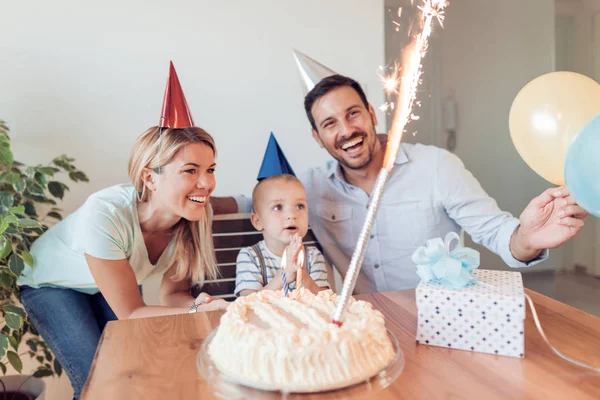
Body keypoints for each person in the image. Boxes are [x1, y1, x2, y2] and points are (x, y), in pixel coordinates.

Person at [219, 74, 588, 294]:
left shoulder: (436, 166)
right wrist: (192, 198)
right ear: (317, 138)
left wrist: (528, 238)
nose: (346, 131)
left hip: (439, 321)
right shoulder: (311, 189)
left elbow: (498, 233)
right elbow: (253, 201)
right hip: (363, 327)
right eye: (330, 124)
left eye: (352, 114)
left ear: (371, 113)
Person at [17, 63, 228, 399]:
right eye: (191, 170)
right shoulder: (106, 214)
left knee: (131, 365)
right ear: (149, 177)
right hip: (50, 283)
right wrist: (196, 311)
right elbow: (131, 313)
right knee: (96, 379)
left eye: (210, 169)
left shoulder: (195, 215)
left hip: (106, 283)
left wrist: (199, 303)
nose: (207, 183)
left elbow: (173, 296)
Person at [235, 174, 329, 296]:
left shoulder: (312, 256)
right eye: (278, 207)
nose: (291, 214)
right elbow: (247, 303)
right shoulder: (250, 256)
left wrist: (302, 275)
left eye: (300, 206)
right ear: (258, 222)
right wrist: (284, 276)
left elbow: (325, 300)